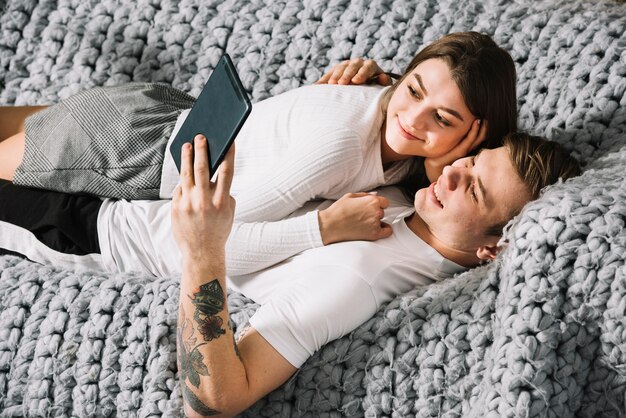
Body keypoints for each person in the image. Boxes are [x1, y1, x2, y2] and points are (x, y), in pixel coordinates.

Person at [0, 32, 518, 276]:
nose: (414, 118)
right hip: (124, 148)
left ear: (479, 135)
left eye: (444, 120)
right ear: (402, 74)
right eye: (414, 90)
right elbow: (211, 242)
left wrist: (433, 166)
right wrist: (324, 228)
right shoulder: (340, 145)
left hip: (159, 112)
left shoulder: (410, 152)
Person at [170, 132, 580, 416]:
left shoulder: (355, 279)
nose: (451, 173)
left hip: (122, 239)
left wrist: (202, 249)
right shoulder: (411, 204)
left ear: (492, 249)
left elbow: (216, 400)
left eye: (473, 190)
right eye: (471, 161)